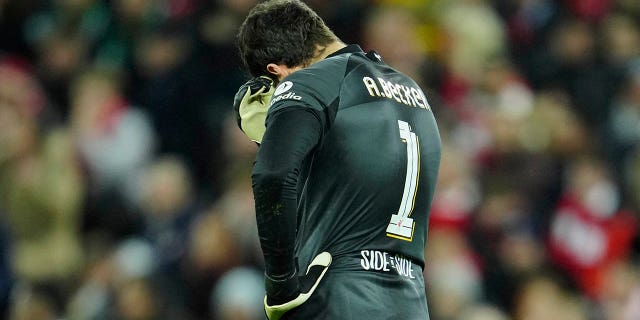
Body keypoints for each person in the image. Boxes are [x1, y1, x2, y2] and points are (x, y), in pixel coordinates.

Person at [233, 1, 441, 319]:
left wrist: (280, 286)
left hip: (338, 295)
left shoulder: (311, 81)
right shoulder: (412, 92)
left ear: (277, 70)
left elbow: (273, 175)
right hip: (409, 299)